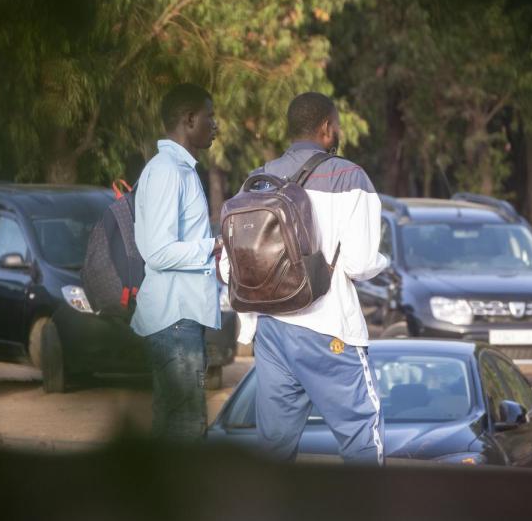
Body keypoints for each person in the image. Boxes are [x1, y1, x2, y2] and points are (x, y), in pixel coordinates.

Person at [228, 92, 389, 464]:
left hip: (270, 332)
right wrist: (383, 260)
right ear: (327, 128)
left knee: (274, 449)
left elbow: (231, 263)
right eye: (338, 125)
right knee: (362, 437)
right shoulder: (350, 177)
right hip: (328, 328)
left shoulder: (257, 180)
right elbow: (360, 262)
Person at [132, 83, 222, 440]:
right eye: (210, 117)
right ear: (189, 119)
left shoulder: (181, 169)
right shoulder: (169, 170)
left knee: (174, 425)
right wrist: (212, 247)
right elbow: (157, 251)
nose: (215, 125)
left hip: (180, 317)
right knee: (186, 426)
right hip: (175, 319)